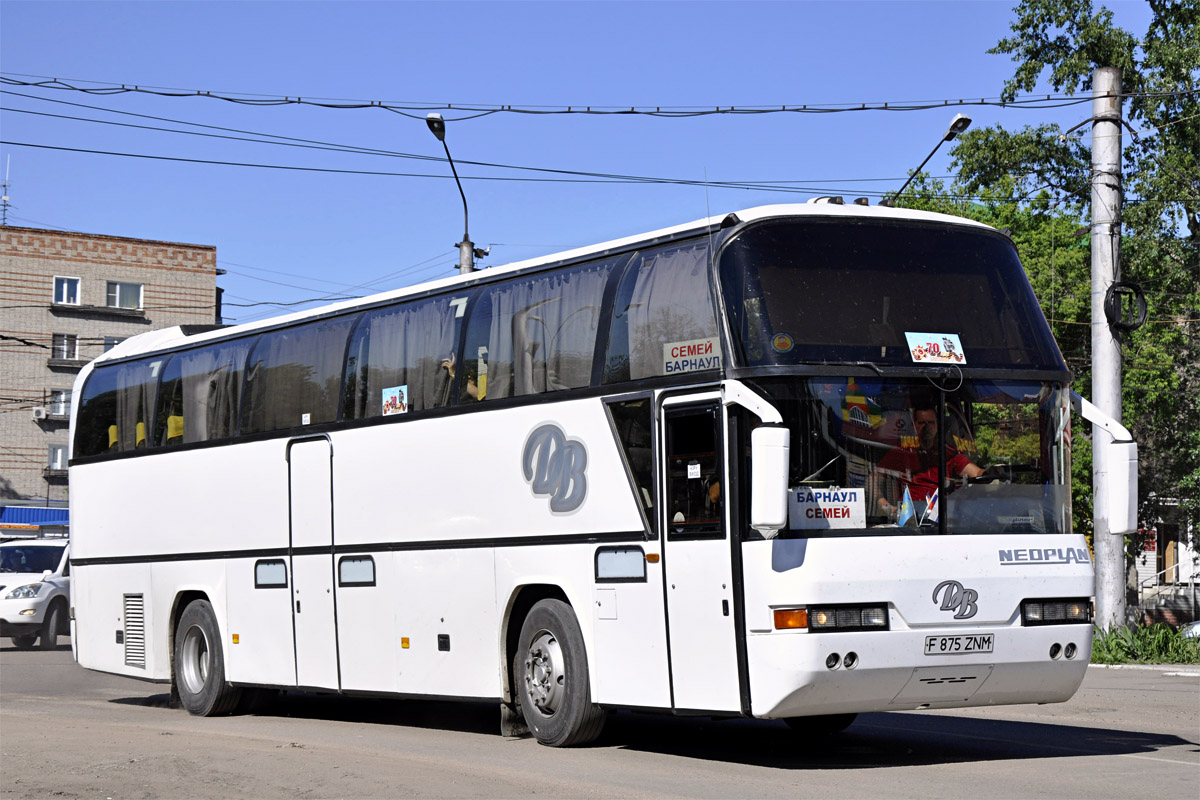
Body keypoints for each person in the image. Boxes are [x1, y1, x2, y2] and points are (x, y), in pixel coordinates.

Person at [873, 406, 983, 520]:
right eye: (922, 423)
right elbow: (871, 481)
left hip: (942, 521)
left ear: (937, 425)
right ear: (914, 426)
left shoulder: (949, 454)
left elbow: (977, 473)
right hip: (909, 518)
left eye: (931, 423)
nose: (927, 427)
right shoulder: (903, 452)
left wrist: (994, 472)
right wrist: (888, 508)